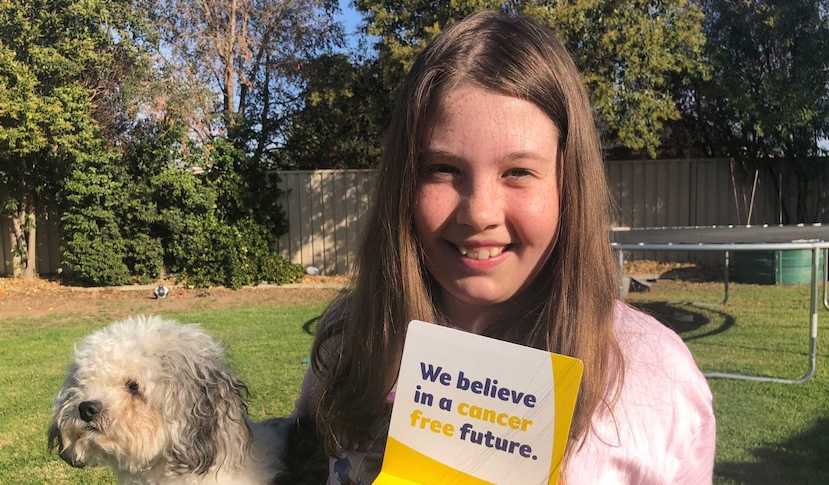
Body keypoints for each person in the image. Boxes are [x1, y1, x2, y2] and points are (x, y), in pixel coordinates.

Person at [293, 11, 715, 485]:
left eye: (518, 172)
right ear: (403, 184)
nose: (479, 212)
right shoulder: (353, 339)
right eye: (442, 169)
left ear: (568, 186)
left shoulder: (658, 376)